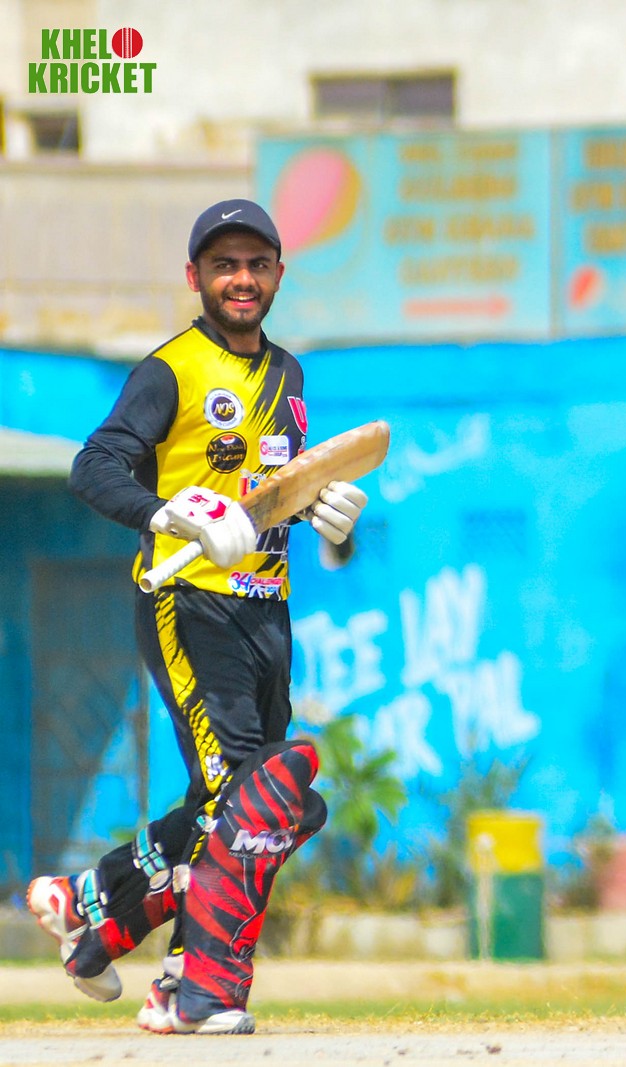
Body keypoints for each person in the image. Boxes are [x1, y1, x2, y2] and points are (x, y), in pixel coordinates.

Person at [25, 199, 367, 1035]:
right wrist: (171, 515)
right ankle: (190, 989)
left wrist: (335, 530)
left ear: (278, 274)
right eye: (224, 265)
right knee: (250, 801)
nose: (241, 279)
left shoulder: (289, 375)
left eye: (256, 264)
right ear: (195, 277)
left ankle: (94, 904)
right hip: (187, 602)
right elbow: (94, 466)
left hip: (267, 612)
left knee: (264, 806)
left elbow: (279, 494)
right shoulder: (171, 369)